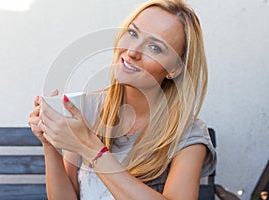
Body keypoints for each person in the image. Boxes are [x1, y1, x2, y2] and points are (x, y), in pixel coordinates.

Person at [28, 0, 216, 199]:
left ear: (175, 69)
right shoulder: (86, 110)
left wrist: (90, 148)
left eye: (154, 48)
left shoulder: (188, 135)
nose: (133, 52)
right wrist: (50, 144)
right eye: (133, 33)